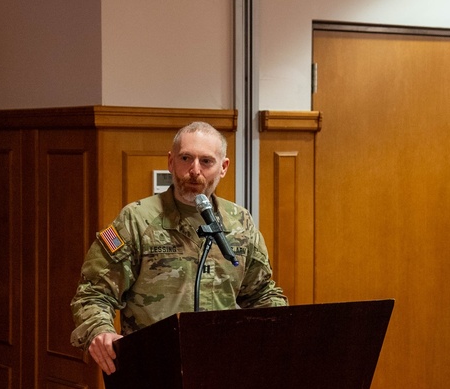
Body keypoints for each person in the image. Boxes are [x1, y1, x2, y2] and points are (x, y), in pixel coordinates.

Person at [70, 120, 288, 374]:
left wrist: (285, 332)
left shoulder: (239, 222)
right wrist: (101, 331)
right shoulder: (138, 220)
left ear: (223, 167)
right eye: (186, 158)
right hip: (151, 368)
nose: (195, 170)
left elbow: (261, 294)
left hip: (223, 369)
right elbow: (94, 294)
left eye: (206, 161)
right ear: (171, 162)